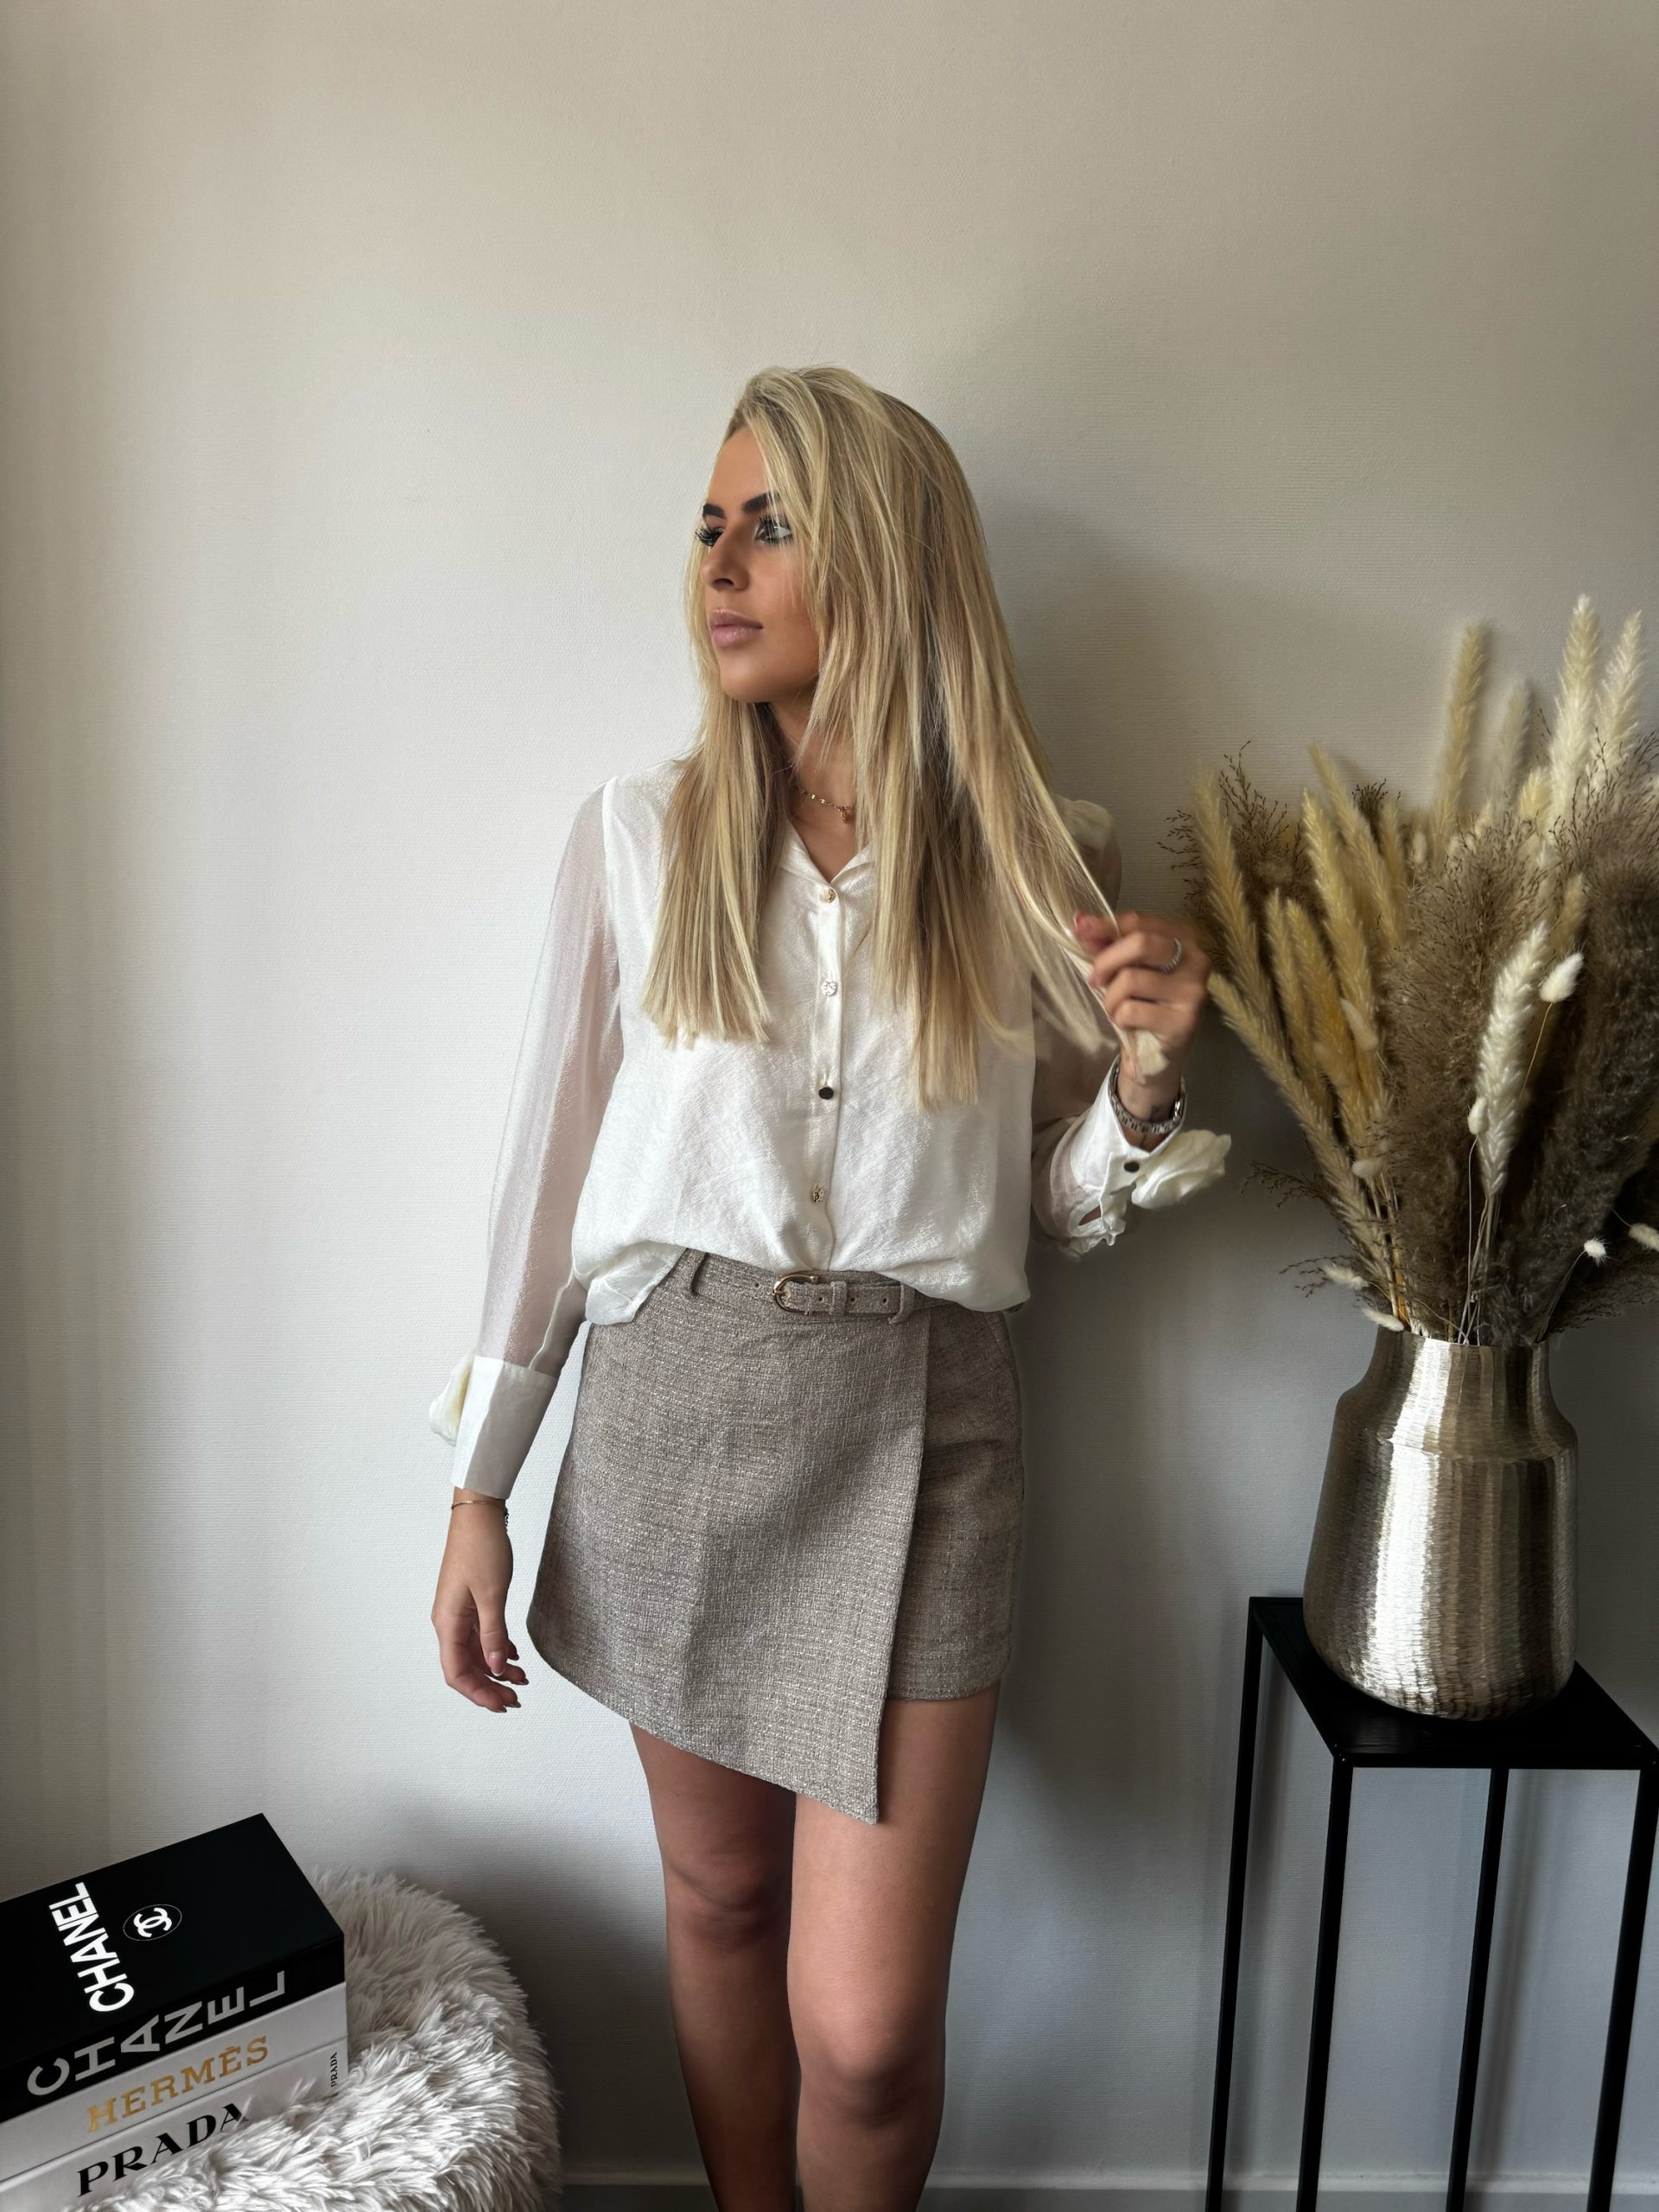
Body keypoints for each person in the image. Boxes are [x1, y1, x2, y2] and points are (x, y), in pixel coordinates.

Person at [428, 365, 1229, 2212]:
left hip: (929, 1424)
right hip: (674, 1405)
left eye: (771, 526)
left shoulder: (1043, 855)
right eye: (710, 526)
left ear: (886, 557)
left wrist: (1144, 1088)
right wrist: (479, 1487)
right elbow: (549, 1180)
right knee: (720, 1900)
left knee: (864, 2028)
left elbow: (1046, 1200)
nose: (719, 565)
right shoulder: (639, 836)